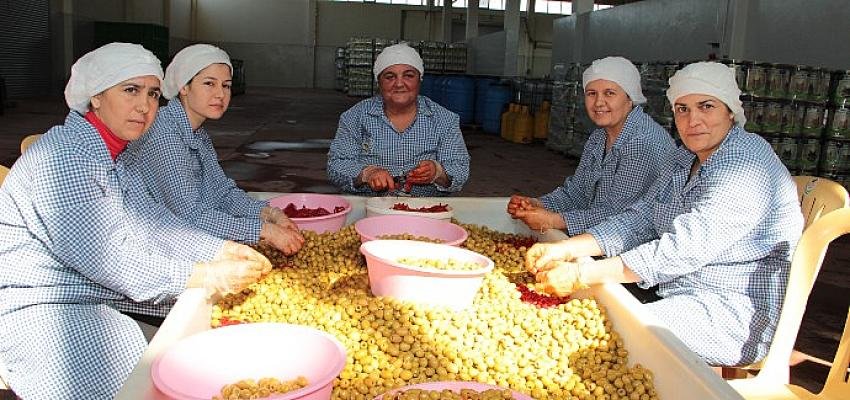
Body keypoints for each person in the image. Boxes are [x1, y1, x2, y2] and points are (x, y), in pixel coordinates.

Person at [0, 43, 272, 399]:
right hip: (44, 306)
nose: (144, 106)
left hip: (93, 293)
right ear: (96, 97)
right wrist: (202, 274)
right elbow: (107, 260)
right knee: (139, 381)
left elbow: (156, 225)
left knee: (194, 350)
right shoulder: (64, 158)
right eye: (130, 90)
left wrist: (223, 250)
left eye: (153, 93)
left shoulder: (116, 158)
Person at [524, 62, 803, 367]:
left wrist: (582, 273)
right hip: (681, 293)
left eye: (706, 106)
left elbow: (681, 250)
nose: (693, 120)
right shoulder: (685, 157)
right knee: (591, 315)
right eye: (682, 109)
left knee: (609, 334)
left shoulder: (744, 162)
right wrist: (567, 248)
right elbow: (641, 217)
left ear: (730, 112)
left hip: (731, 313)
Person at [127, 44, 303, 255]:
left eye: (226, 86)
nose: (220, 94)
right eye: (209, 84)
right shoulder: (164, 134)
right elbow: (190, 215)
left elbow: (222, 193)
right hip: (153, 249)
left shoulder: (197, 134)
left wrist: (269, 214)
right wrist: (263, 231)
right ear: (184, 87)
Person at [507, 56, 675, 235]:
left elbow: (619, 216)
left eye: (609, 93)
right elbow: (578, 193)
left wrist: (553, 220)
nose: (598, 102)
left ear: (630, 97)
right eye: (591, 93)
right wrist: (538, 204)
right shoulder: (598, 138)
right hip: (599, 240)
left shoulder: (642, 143)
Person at [327, 43, 470, 197]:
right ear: (379, 82)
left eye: (408, 75)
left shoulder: (445, 120)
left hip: (426, 210)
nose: (399, 84)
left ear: (419, 79)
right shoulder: (355, 117)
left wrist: (438, 172)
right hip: (369, 207)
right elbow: (336, 165)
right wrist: (367, 174)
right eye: (390, 77)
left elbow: (460, 169)